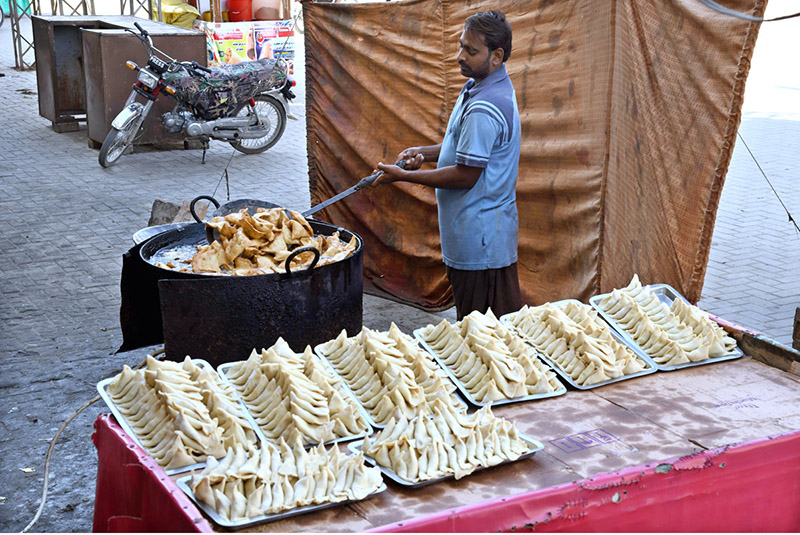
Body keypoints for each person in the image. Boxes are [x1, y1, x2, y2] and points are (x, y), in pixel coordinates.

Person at [375, 10, 522, 320]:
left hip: (482, 244)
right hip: (474, 238)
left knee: (485, 337)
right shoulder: (477, 87)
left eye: (471, 50)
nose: (460, 56)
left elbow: (467, 174)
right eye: (460, 46)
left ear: (496, 56)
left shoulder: (485, 105)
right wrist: (425, 153)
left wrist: (403, 177)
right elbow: (467, 150)